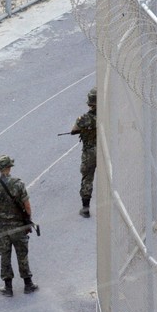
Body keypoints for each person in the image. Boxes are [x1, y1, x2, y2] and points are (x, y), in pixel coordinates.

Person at [0, 155, 38, 297]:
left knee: (5, 255)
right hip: (18, 226)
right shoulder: (18, 184)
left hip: (2, 227)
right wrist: (28, 218)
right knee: (22, 254)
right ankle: (28, 284)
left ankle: (8, 287)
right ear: (9, 167)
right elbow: (27, 205)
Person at [71, 87, 97, 218]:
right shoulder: (109, 116)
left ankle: (85, 208)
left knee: (87, 178)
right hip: (105, 151)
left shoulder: (84, 119)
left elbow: (74, 130)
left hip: (89, 152)